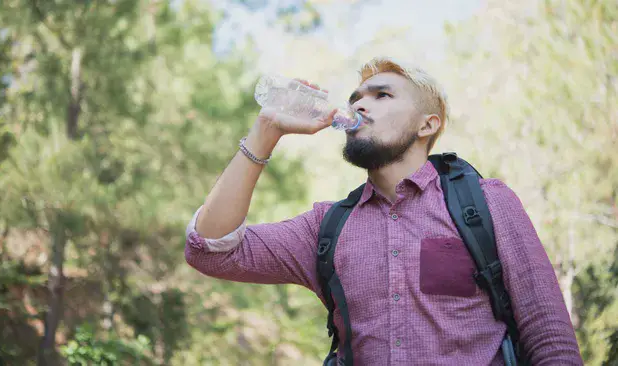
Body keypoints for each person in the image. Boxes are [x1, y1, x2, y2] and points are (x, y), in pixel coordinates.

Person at [185, 57, 583, 365]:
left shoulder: (487, 202)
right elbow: (210, 249)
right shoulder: (326, 227)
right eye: (355, 97)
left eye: (382, 95)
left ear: (427, 125)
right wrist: (264, 132)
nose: (359, 104)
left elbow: (548, 335)